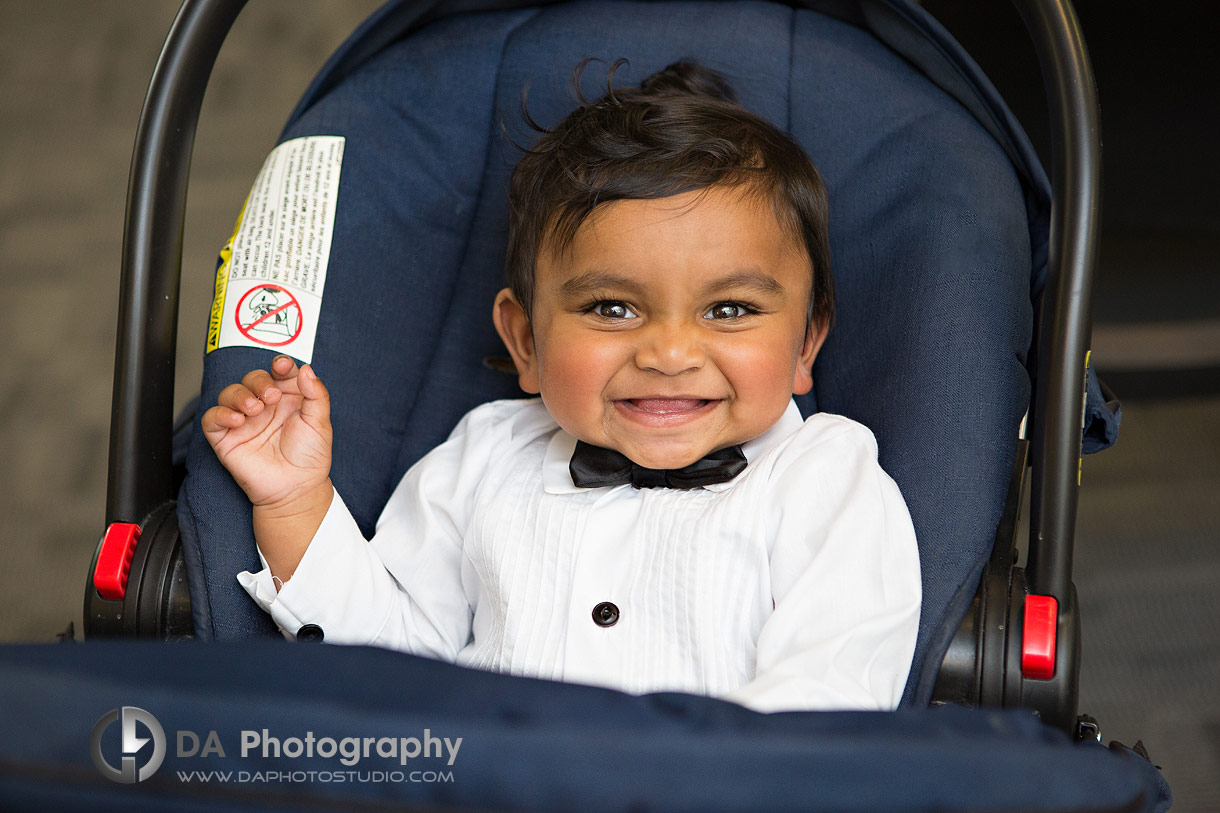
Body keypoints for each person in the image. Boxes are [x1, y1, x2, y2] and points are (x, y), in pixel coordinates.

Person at [202, 60, 921, 713]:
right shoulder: (482, 459)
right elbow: (390, 664)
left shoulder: (828, 480)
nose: (670, 352)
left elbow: (829, 698)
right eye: (612, 307)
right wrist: (296, 503)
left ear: (806, 345)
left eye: (728, 309)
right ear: (526, 341)